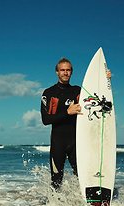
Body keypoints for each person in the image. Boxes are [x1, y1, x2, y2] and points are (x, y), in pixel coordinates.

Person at [40, 58, 81, 191]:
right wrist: (67, 112)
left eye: (68, 70)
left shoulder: (78, 91)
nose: (65, 73)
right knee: (56, 180)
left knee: (82, 176)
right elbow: (46, 120)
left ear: (71, 72)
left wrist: (106, 80)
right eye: (62, 70)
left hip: (77, 142)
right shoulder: (49, 93)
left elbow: (97, 100)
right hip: (58, 142)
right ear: (57, 72)